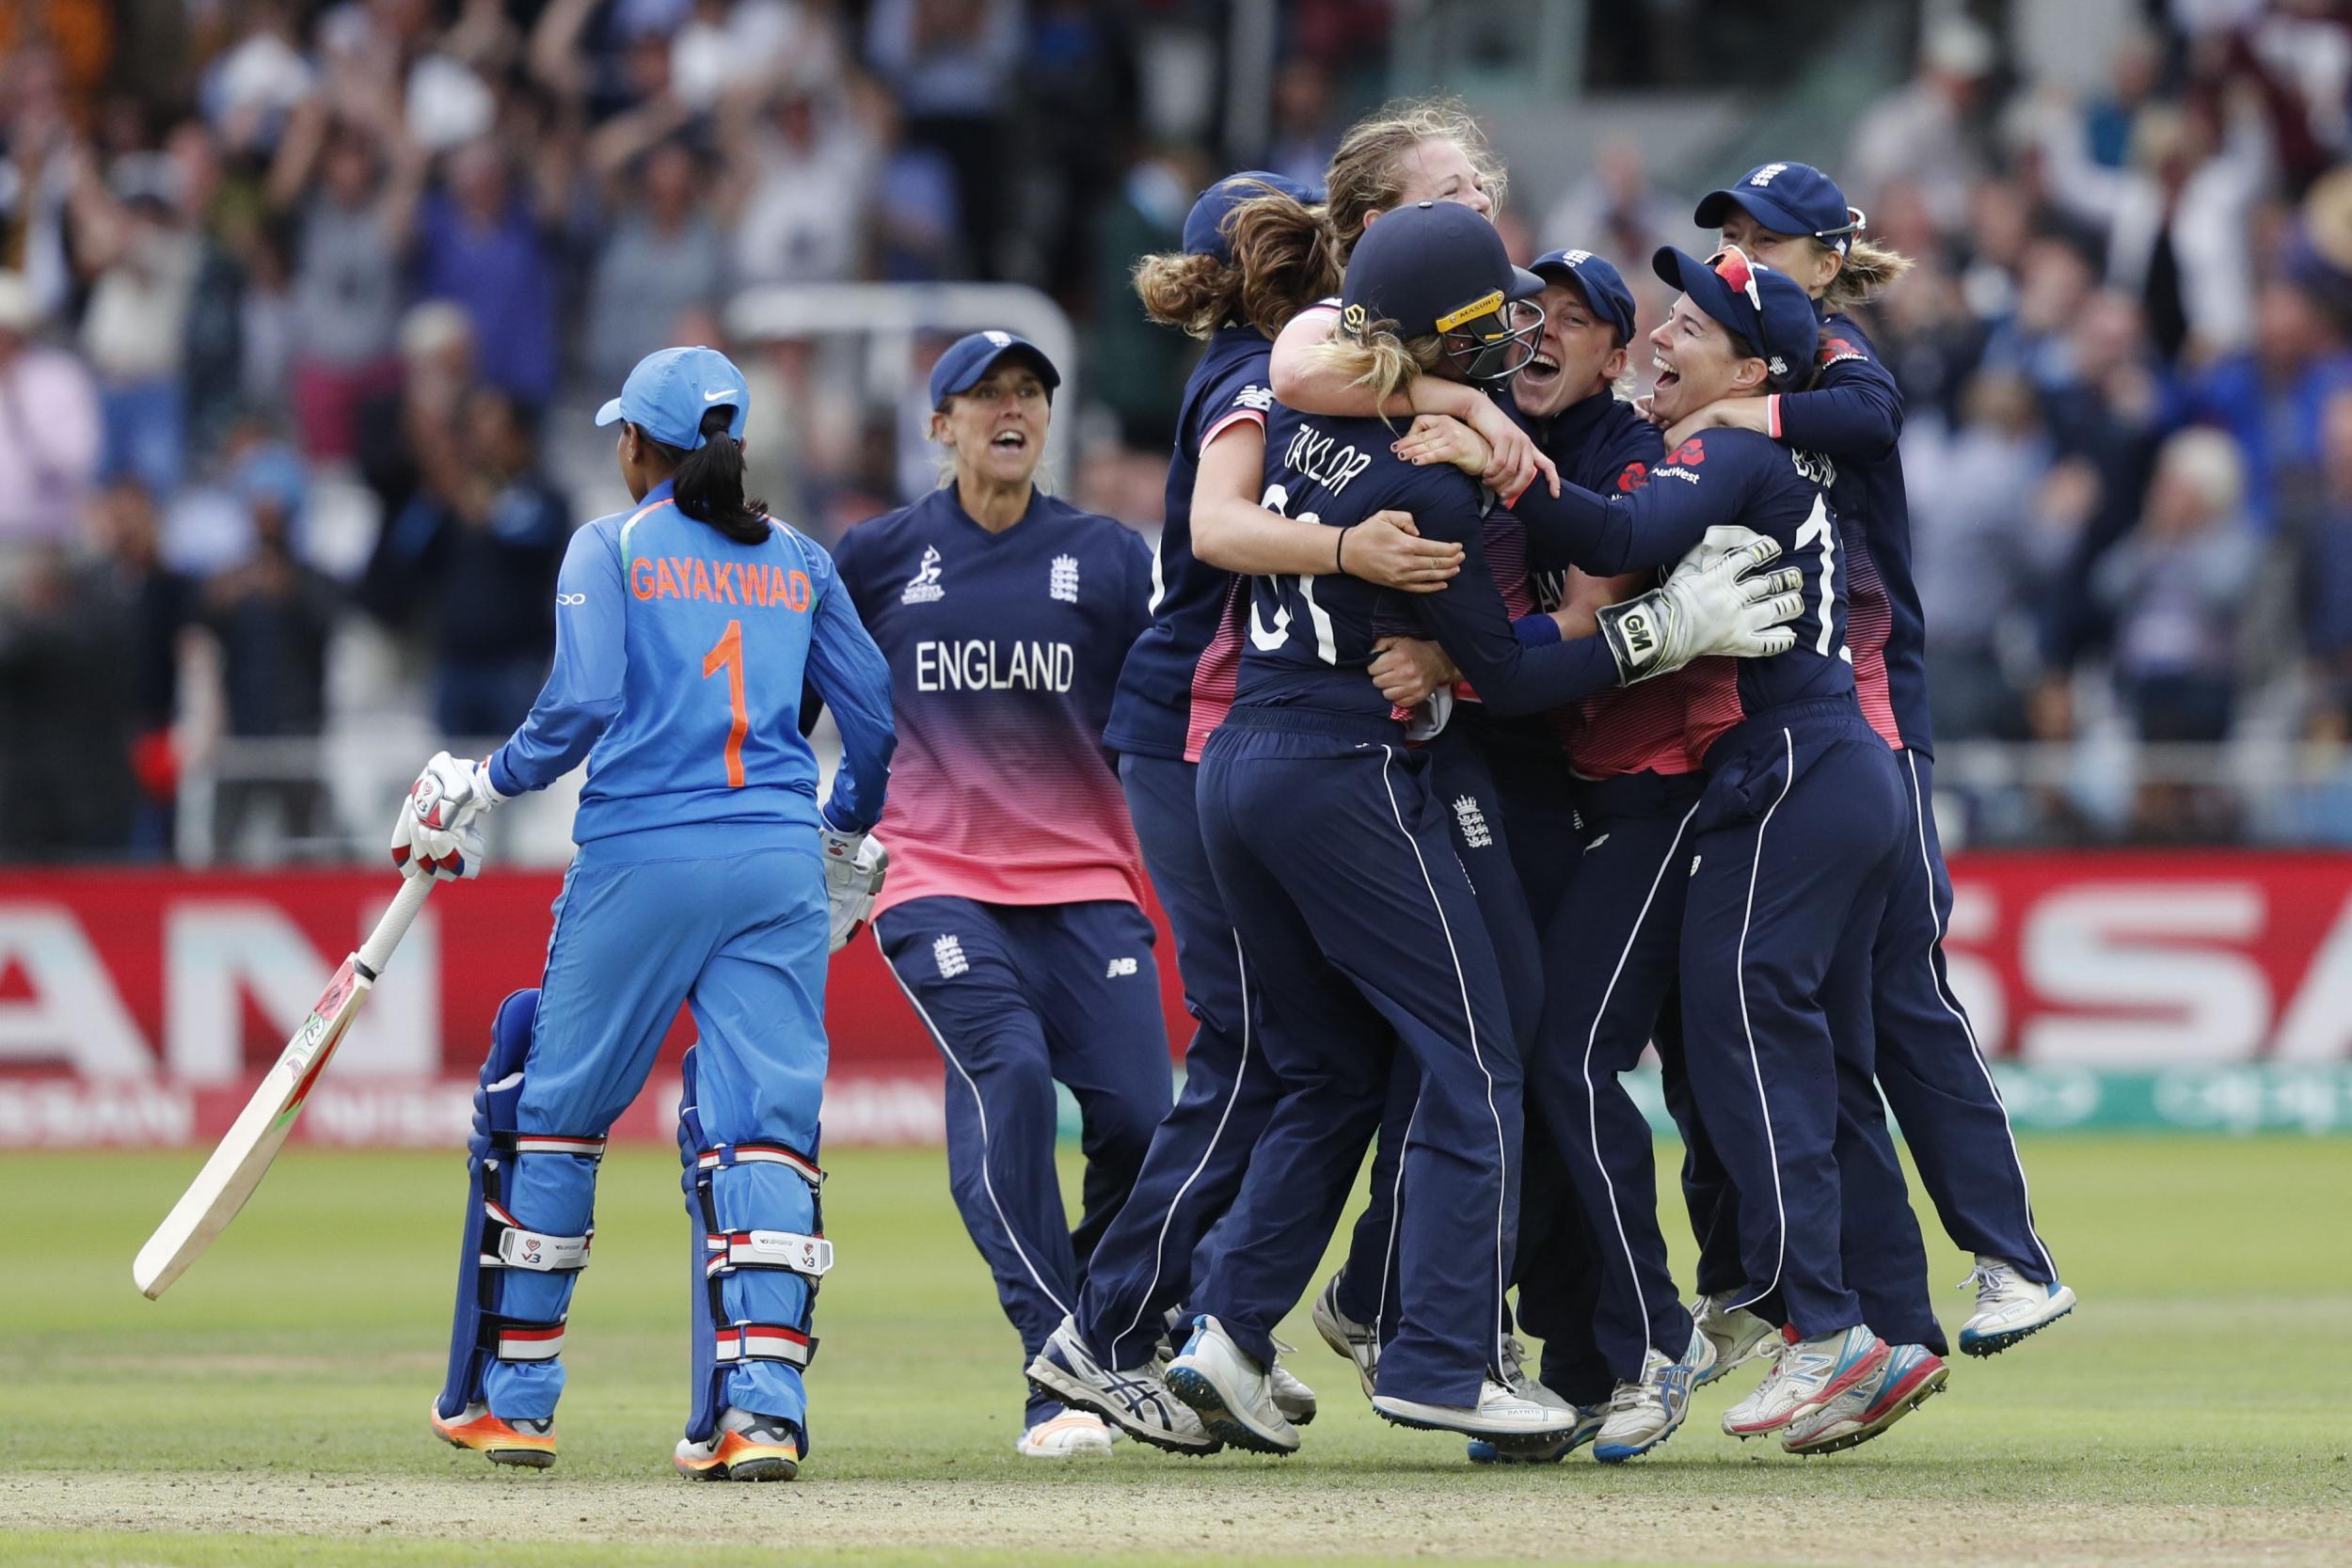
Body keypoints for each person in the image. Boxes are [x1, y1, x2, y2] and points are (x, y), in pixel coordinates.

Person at [1165, 201, 1804, 1453]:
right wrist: (1653, 632)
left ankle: (1228, 1331)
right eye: (1502, 318)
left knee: (1331, 1069)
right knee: (1479, 1056)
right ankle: (1444, 1356)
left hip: (1238, 761)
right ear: (1453, 335)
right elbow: (1507, 676)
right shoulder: (1432, 476)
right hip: (1342, 767)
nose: (1522, 332)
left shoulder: (1312, 405)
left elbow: (1313, 377)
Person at [1025, 171, 1464, 1454]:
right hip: (1197, 731)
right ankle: (1109, 1336)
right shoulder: (1252, 382)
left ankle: (1222, 1326)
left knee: (1317, 1054)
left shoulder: (1253, 369)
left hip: (1212, 736)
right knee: (1258, 1050)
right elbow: (1223, 534)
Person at [408, 344, 896, 1483]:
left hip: (639, 855)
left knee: (560, 1114)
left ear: (638, 445)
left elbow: (579, 698)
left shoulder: (611, 544)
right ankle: (760, 1415)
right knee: (764, 1125)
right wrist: (836, 833)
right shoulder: (799, 556)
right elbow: (873, 731)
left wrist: (485, 784)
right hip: (775, 858)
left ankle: (520, 1400)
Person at [1674, 162, 2074, 1380]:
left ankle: (2012, 1255)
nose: (1740, 248)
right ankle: (1845, 1309)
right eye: (1729, 232)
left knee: (1897, 992)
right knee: (1829, 1022)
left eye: (1764, 237)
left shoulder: (1834, 360)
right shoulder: (1739, 364)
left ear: (1828, 257)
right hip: (1804, 731)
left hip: (1872, 720)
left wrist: (1742, 418)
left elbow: (1873, 417)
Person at [829, 331, 1171, 1460]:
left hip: (1087, 881)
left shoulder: (1111, 557)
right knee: (1010, 1079)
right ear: (939, 424)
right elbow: (792, 710)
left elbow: (1163, 712)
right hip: (933, 882)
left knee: (1138, 1115)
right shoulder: (874, 558)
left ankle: (1110, 1340)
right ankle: (1054, 1366)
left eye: (1027, 392)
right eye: (984, 396)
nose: (1009, 410)